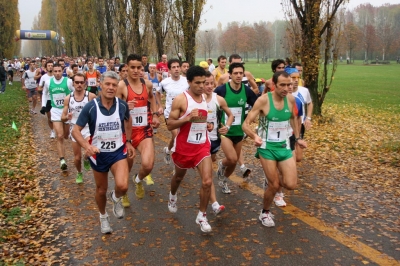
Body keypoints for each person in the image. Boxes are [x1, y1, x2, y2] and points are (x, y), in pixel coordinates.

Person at [72, 71, 135, 234]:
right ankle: (103, 216)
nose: (111, 88)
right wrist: (87, 146)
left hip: (117, 151)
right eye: (107, 84)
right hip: (98, 154)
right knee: (101, 190)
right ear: (100, 85)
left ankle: (115, 198)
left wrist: (128, 142)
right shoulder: (91, 107)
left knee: (123, 185)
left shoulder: (122, 105)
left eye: (114, 85)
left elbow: (128, 120)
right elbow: (75, 130)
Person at [242, 71, 307, 227]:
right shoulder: (263, 101)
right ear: (274, 86)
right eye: (282, 85)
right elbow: (245, 124)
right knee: (275, 185)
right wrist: (254, 137)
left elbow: (293, 119)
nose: (286, 88)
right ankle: (265, 212)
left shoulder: (290, 99)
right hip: (267, 147)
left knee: (291, 184)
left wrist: (297, 139)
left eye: (289, 84)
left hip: (284, 146)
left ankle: (275, 176)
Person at [167, 66, 214, 233]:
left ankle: (202, 215)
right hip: (184, 147)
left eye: (204, 83)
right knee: (178, 178)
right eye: (198, 83)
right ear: (189, 82)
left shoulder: (205, 98)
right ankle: (172, 195)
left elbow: (203, 120)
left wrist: (208, 126)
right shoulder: (181, 99)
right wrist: (187, 118)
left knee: (207, 181)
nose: (202, 86)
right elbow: (170, 124)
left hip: (202, 146)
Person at [116, 54, 160, 206]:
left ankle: (138, 179)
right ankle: (124, 194)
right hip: (126, 133)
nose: (135, 70)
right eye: (132, 67)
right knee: (126, 168)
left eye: (138, 67)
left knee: (148, 165)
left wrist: (154, 115)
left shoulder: (146, 84)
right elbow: (114, 109)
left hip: (144, 130)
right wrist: (124, 107)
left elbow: (152, 99)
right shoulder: (122, 86)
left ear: (142, 68)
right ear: (126, 68)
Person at [214, 62, 258, 193]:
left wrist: (251, 117)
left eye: (241, 73)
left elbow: (257, 106)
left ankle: (223, 180)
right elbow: (211, 104)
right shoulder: (222, 90)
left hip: (239, 131)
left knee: (233, 163)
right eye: (235, 73)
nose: (238, 75)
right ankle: (222, 165)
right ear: (230, 75)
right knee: (232, 158)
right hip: (225, 131)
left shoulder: (246, 90)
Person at [204, 71, 233, 215]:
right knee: (207, 176)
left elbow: (231, 115)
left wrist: (226, 126)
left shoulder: (219, 99)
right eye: (206, 83)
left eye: (211, 83)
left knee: (212, 161)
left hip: (214, 140)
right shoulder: (194, 100)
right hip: (200, 142)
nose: (209, 86)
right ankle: (215, 204)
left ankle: (174, 190)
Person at [61, 73, 96, 183]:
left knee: (89, 150)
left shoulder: (91, 96)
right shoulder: (68, 98)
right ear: (73, 83)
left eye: (82, 82)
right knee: (77, 158)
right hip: (75, 130)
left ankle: (86, 158)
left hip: (87, 129)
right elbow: (62, 117)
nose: (79, 84)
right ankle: (79, 172)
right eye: (77, 82)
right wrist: (67, 117)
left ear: (85, 83)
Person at [41, 63, 74, 170]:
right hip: (55, 110)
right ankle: (62, 160)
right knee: (59, 136)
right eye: (55, 71)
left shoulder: (68, 81)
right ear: (52, 72)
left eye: (59, 71)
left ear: (62, 70)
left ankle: (63, 152)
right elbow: (44, 93)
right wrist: (43, 105)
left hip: (67, 111)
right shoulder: (48, 82)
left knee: (65, 135)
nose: (57, 73)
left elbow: (74, 93)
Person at [156, 59, 189, 165]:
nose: (176, 69)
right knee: (177, 136)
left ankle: (167, 149)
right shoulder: (165, 82)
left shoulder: (186, 80)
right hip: (170, 114)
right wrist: (160, 106)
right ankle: (177, 164)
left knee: (179, 137)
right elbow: (157, 92)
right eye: (173, 67)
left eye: (178, 67)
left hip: (183, 114)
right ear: (169, 70)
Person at [39, 61, 55, 138]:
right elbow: (40, 87)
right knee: (50, 117)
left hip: (56, 98)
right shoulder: (43, 77)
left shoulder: (56, 76)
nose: (50, 67)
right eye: (49, 65)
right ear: (46, 67)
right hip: (48, 99)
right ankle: (52, 130)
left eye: (52, 65)